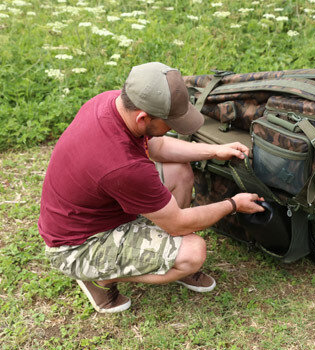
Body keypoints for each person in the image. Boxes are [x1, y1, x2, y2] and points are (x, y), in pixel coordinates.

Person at [38, 62, 264, 313]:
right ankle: (100, 278)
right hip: (78, 245)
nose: (175, 128)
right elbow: (178, 222)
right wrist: (233, 204)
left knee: (179, 169)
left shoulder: (111, 102)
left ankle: (162, 253)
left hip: (98, 211)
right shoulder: (123, 166)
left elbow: (155, 146)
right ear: (143, 117)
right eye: (171, 123)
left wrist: (214, 150)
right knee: (193, 253)